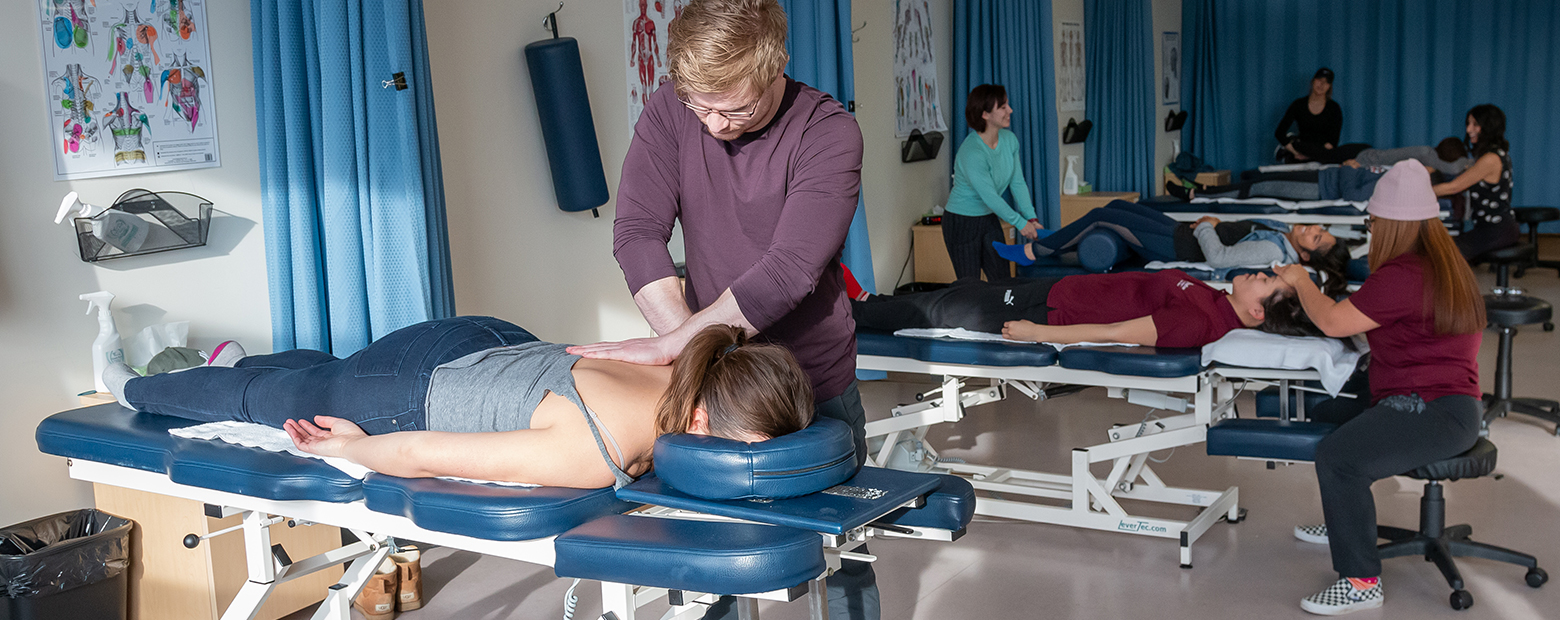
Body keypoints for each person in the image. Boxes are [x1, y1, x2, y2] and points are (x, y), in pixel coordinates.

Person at [569, 1, 878, 617]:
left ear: (776, 66)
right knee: (707, 550)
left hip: (811, 381)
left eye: (734, 109)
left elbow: (789, 269)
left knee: (845, 547)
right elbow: (636, 230)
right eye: (699, 107)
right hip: (712, 377)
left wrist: (678, 346)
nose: (712, 126)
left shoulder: (828, 131)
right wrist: (690, 345)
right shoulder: (669, 112)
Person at [98, 318, 812, 490]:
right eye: (740, 451)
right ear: (698, 422)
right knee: (270, 401)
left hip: (487, 340)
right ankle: (125, 380)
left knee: (321, 373)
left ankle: (237, 360)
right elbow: (418, 451)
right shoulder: (597, 450)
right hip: (408, 393)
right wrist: (350, 449)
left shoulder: (684, 363)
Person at [1272, 160, 1485, 615]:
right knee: (1327, 414)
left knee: (1339, 458)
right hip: (1439, 398)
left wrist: (1301, 281)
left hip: (1435, 410)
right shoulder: (1446, 263)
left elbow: (1331, 319)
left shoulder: (1403, 274)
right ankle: (1345, 518)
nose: (1372, 229)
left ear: (1392, 223)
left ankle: (1361, 584)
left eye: (1373, 221)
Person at [853, 269, 1313, 348]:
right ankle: (870, 304)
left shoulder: (1200, 321)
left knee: (941, 311)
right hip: (1058, 290)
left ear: (1258, 313)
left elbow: (1116, 333)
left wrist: (1038, 334)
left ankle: (855, 315)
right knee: (957, 292)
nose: (1261, 274)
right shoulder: (1213, 297)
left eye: (1268, 283)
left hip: (1051, 315)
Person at [992, 200, 1349, 285]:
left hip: (1178, 245)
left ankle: (1033, 251)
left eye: (1316, 236)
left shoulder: (1274, 251)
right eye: (1318, 227)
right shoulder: (1281, 233)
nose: (1312, 227)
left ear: (1305, 254)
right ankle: (1054, 244)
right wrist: (1215, 223)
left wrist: (1208, 226)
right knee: (1118, 206)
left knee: (1103, 215)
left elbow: (1220, 259)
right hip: (1182, 231)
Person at [943, 83, 1043, 282]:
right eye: (1003, 107)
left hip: (988, 219)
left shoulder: (1010, 140)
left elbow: (1017, 182)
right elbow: (989, 196)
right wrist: (1019, 223)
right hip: (962, 221)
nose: (1010, 111)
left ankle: (1006, 315)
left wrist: (1030, 218)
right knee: (970, 286)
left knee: (1002, 280)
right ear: (985, 114)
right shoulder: (972, 151)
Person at [1432, 104, 1518, 262]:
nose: (1468, 129)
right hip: (1495, 229)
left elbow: (1455, 186)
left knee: (1443, 256)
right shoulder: (1496, 154)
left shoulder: (1490, 159)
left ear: (1489, 127)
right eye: (1468, 124)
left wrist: (1416, 191)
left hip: (1496, 230)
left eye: (1475, 124)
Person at [1275, 68, 1362, 164]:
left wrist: (1317, 154)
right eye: (1319, 80)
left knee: (1351, 151)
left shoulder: (1334, 108)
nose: (1321, 85)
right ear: (1313, 81)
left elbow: (1333, 141)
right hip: (1301, 150)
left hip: (1322, 154)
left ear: (1329, 86)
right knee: (1299, 147)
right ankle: (1288, 150)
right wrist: (1295, 152)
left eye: (1326, 82)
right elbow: (1279, 132)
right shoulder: (1298, 105)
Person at [1345, 137, 1472, 176]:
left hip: (1367, 156)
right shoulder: (1426, 153)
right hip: (1364, 154)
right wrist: (1359, 163)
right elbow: (1385, 157)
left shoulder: (1434, 161)